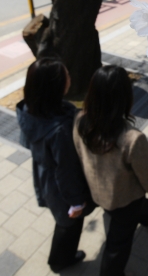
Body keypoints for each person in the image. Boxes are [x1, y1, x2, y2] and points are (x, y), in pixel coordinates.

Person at [73, 65, 148, 276]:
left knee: (141, 209)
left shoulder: (80, 122)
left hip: (98, 192)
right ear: (125, 97)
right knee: (118, 244)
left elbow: (80, 155)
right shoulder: (132, 138)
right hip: (124, 199)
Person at [16, 58, 95, 274]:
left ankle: (60, 257)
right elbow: (66, 171)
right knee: (69, 223)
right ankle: (60, 260)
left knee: (64, 221)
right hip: (63, 191)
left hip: (44, 177)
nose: (69, 78)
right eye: (66, 76)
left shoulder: (29, 109)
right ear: (56, 86)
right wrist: (77, 202)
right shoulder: (59, 130)